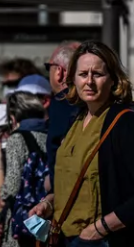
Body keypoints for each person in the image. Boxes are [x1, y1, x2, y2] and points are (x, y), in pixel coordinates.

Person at [29, 41, 134, 247]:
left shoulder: (125, 123)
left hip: (100, 241)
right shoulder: (76, 122)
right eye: (83, 74)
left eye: (98, 74)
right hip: (64, 238)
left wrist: (100, 228)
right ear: (72, 79)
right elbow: (76, 182)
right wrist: (48, 203)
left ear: (113, 80)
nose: (89, 82)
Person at [0, 92, 48, 247]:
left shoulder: (17, 138)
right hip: (46, 217)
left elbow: (12, 186)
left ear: (13, 117)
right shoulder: (51, 135)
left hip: (23, 223)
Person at [44, 41, 81, 192]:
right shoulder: (90, 103)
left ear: (59, 71)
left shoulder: (61, 103)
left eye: (49, 67)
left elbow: (56, 151)